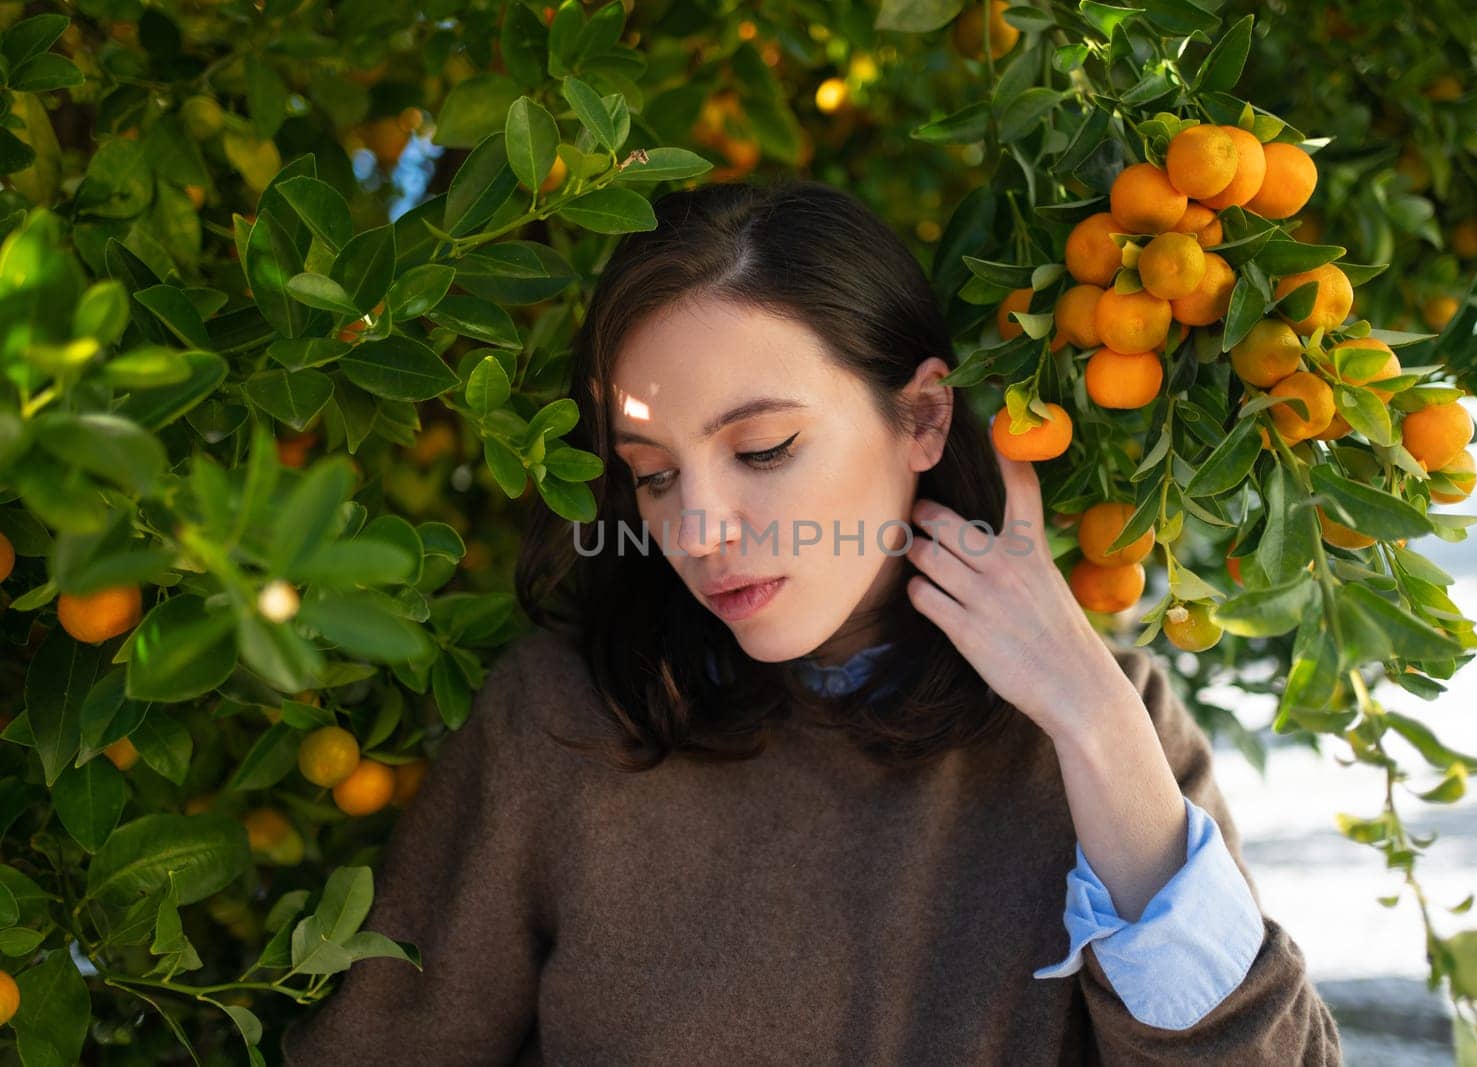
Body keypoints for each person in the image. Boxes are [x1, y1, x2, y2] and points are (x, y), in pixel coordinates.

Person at [279, 178, 1342, 1065]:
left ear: (922, 417)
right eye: (650, 476)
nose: (698, 527)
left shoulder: (1093, 729)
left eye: (762, 449)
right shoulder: (562, 721)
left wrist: (1095, 722)